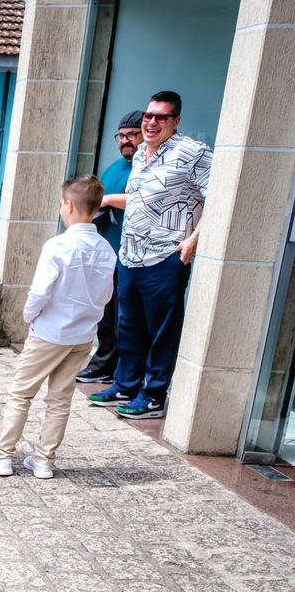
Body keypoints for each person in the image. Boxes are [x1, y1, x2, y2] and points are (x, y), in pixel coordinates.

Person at [0, 174, 117, 479]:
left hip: (50, 331)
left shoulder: (58, 245)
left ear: (67, 205)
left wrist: (29, 316)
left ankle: (2, 456)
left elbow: (39, 292)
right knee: (60, 399)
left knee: (20, 393)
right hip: (82, 337)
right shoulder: (107, 250)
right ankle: (44, 460)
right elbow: (106, 296)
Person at [89, 91, 212, 418]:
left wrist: (194, 240)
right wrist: (105, 200)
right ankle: (125, 385)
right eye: (148, 116)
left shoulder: (193, 153)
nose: (152, 122)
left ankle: (154, 396)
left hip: (164, 259)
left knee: (161, 331)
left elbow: (219, 197)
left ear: (176, 121)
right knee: (128, 325)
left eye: (161, 117)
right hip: (130, 257)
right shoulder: (142, 152)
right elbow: (140, 202)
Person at [76, 110, 143, 383]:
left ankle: (116, 369)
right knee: (105, 315)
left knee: (123, 319)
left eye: (132, 135)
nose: (125, 140)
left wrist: (107, 200)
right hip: (106, 254)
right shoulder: (114, 168)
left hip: (131, 256)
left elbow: (138, 200)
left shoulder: (146, 168)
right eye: (122, 135)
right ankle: (104, 363)